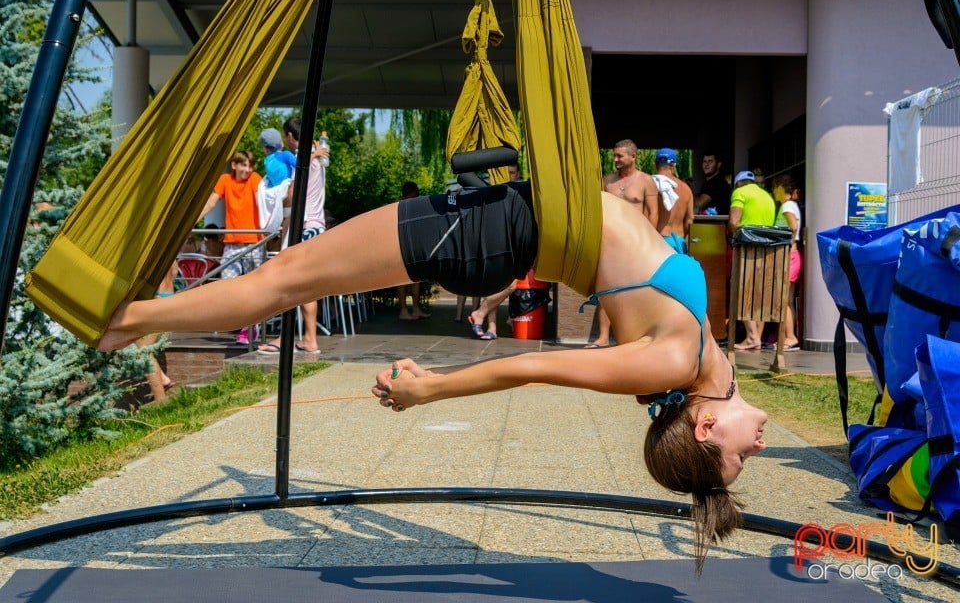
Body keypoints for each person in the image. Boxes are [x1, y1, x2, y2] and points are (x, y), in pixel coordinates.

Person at [99, 178, 769, 573]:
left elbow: (533, 366)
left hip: (494, 234)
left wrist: (430, 389)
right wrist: (629, 197)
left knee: (286, 277)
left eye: (740, 456)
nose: (760, 446)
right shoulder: (700, 354)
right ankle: (133, 318)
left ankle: (127, 322)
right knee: (289, 273)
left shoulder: (672, 361)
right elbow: (629, 248)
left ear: (707, 424)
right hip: (509, 218)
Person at [258, 117, 329, 355]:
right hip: (317, 225)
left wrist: (281, 215)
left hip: (303, 225)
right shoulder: (317, 155)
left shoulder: (303, 157)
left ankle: (284, 337)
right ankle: (309, 339)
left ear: (289, 136)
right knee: (306, 284)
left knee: (287, 280)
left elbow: (291, 193)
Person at [589, 140, 659, 347]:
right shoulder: (607, 180)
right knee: (606, 289)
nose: (616, 159)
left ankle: (633, 336)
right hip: (610, 242)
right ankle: (603, 337)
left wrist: (649, 241)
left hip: (636, 243)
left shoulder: (646, 181)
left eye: (620, 156)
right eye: (615, 155)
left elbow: (653, 213)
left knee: (637, 290)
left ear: (633, 157)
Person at [196, 150, 264, 345]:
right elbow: (211, 201)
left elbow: (265, 198)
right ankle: (240, 322)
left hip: (254, 242)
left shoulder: (254, 179)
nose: (247, 170)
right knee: (228, 286)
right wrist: (193, 220)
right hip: (232, 243)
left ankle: (252, 328)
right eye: (243, 165)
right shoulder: (225, 180)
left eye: (250, 166)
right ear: (234, 165)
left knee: (256, 287)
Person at [468, 165, 522, 340]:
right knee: (495, 284)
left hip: (514, 248)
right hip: (491, 245)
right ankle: (492, 327)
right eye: (506, 173)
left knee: (512, 285)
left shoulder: (520, 192)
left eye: (512, 173)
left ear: (518, 174)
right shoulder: (491, 192)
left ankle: (480, 313)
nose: (509, 177)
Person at [727, 170, 776, 351]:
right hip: (768, 253)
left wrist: (733, 236)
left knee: (740, 289)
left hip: (747, 251)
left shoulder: (740, 193)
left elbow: (733, 221)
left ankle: (751, 337)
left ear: (739, 183)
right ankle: (757, 337)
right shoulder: (767, 196)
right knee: (760, 294)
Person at [139, 260, 180, 402]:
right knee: (140, 349)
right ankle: (163, 379)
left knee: (143, 353)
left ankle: (160, 399)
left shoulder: (151, 257)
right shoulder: (171, 257)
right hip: (167, 298)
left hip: (156, 303)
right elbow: (174, 273)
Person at [771, 173, 803, 351]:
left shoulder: (787, 206)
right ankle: (787, 336)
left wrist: (786, 244)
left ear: (782, 189)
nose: (773, 191)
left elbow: (793, 227)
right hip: (792, 255)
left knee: (784, 300)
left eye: (775, 187)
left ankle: (790, 337)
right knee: (786, 300)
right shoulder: (791, 205)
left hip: (789, 255)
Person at [396, 181, 431, 321]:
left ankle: (415, 308)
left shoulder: (411, 205)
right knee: (401, 279)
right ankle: (404, 310)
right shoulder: (400, 207)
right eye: (416, 191)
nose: (418, 194)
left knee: (416, 278)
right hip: (402, 246)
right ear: (411, 192)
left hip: (413, 246)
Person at [652, 148, 695, 254]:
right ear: (674, 165)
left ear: (655, 165)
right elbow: (690, 219)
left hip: (659, 240)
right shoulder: (686, 189)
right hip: (679, 241)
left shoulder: (650, 184)